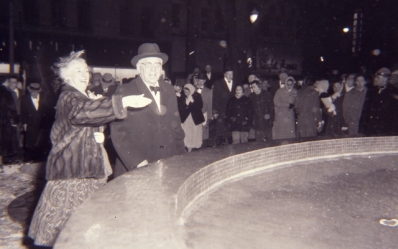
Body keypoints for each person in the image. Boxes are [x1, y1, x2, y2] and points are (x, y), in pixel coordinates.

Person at [28, 50, 151, 246]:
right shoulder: (69, 96)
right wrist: (125, 101)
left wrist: (98, 135)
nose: (84, 73)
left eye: (85, 70)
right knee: (66, 233)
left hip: (86, 171)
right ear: (67, 76)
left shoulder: (81, 95)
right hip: (73, 175)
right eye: (77, 70)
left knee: (84, 230)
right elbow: (82, 112)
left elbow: (84, 119)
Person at [111, 43, 185, 177]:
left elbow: (176, 128)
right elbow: (119, 133)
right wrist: (138, 162)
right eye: (148, 64)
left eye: (157, 64)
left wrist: (180, 157)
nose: (153, 69)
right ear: (139, 68)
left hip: (167, 163)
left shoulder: (169, 90)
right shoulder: (124, 90)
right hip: (138, 166)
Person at [20, 83, 54, 162]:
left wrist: (47, 124)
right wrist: (24, 123)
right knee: (30, 141)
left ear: (39, 91)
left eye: (36, 92)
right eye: (32, 92)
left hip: (42, 123)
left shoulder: (44, 98)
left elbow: (49, 111)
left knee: (40, 141)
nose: (34, 93)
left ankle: (38, 159)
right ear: (29, 91)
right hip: (30, 122)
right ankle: (29, 158)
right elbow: (23, 111)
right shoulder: (25, 99)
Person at [360, 67, 395, 136]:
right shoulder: (371, 91)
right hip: (371, 129)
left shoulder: (393, 92)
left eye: (378, 78)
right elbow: (365, 110)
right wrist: (362, 129)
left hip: (386, 131)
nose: (375, 79)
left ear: (385, 78)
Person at [212, 67, 237, 145]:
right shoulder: (218, 83)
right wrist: (215, 111)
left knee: (230, 130)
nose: (230, 76)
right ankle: (220, 149)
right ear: (225, 75)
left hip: (232, 111)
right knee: (220, 130)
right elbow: (215, 98)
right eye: (228, 74)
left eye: (231, 74)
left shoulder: (236, 83)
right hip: (221, 110)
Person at [178, 84, 205, 152]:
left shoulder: (197, 96)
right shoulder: (183, 96)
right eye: (185, 92)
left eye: (188, 92)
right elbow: (180, 108)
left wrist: (192, 101)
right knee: (187, 133)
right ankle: (188, 149)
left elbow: (200, 106)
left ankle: (194, 148)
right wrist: (186, 104)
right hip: (186, 118)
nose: (186, 93)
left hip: (196, 119)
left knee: (195, 134)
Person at [0, 77, 20, 165]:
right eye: (9, 82)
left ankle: (1, 162)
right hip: (6, 121)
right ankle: (5, 161)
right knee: (7, 142)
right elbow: (12, 107)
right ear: (6, 82)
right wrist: (15, 120)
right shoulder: (7, 93)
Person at [195, 73, 213, 147]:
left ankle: (203, 148)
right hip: (194, 114)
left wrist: (209, 117)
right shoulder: (193, 89)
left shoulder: (208, 91)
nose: (200, 82)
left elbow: (209, 105)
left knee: (204, 133)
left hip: (204, 113)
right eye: (199, 80)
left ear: (204, 81)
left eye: (202, 81)